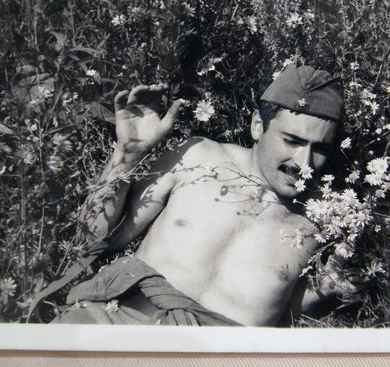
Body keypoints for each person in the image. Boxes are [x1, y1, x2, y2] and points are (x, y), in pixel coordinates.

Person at [50, 65, 354, 326]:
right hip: (122, 324)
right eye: (292, 141)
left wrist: (323, 290)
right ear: (257, 126)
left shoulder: (323, 217)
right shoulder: (198, 156)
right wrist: (126, 156)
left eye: (321, 149)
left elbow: (280, 317)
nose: (304, 163)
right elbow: (90, 243)